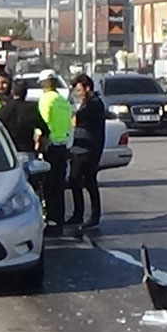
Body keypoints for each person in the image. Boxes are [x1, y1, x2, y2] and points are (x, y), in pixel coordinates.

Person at [68, 74, 107, 228]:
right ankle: (80, 214)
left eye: (79, 90)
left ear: (87, 88)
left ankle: (90, 215)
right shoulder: (88, 103)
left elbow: (78, 121)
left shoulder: (93, 104)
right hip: (82, 148)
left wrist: (71, 113)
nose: (78, 93)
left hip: (87, 149)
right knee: (77, 180)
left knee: (84, 180)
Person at [37, 70, 74, 232]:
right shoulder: (63, 101)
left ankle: (50, 218)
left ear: (43, 83)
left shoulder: (46, 100)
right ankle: (59, 218)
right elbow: (69, 125)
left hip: (49, 147)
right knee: (59, 185)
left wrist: (38, 144)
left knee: (48, 185)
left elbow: (42, 125)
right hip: (62, 146)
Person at [0, 79, 49, 153]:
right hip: (27, 149)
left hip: (8, 150)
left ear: (12, 91)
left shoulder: (3, 110)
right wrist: (39, 142)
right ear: (26, 92)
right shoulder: (31, 108)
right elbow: (44, 129)